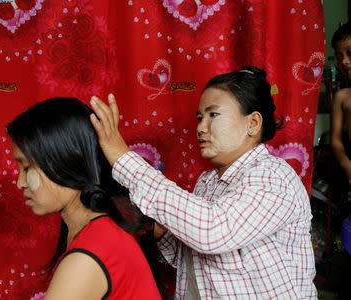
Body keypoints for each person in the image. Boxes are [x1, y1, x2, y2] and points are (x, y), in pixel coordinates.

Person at [90, 66, 317, 299]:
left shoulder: (273, 176)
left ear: (253, 123)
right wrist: (160, 232)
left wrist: (123, 159)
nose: (200, 127)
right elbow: (196, 256)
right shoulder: (207, 182)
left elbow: (213, 231)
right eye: (200, 118)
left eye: (213, 115)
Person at [7, 98, 162, 300]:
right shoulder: (102, 233)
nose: (20, 183)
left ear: (68, 160)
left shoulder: (88, 256)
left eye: (27, 168)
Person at [331, 22, 351, 185]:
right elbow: (335, 140)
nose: (344, 61)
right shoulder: (341, 97)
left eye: (350, 53)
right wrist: (346, 164)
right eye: (339, 57)